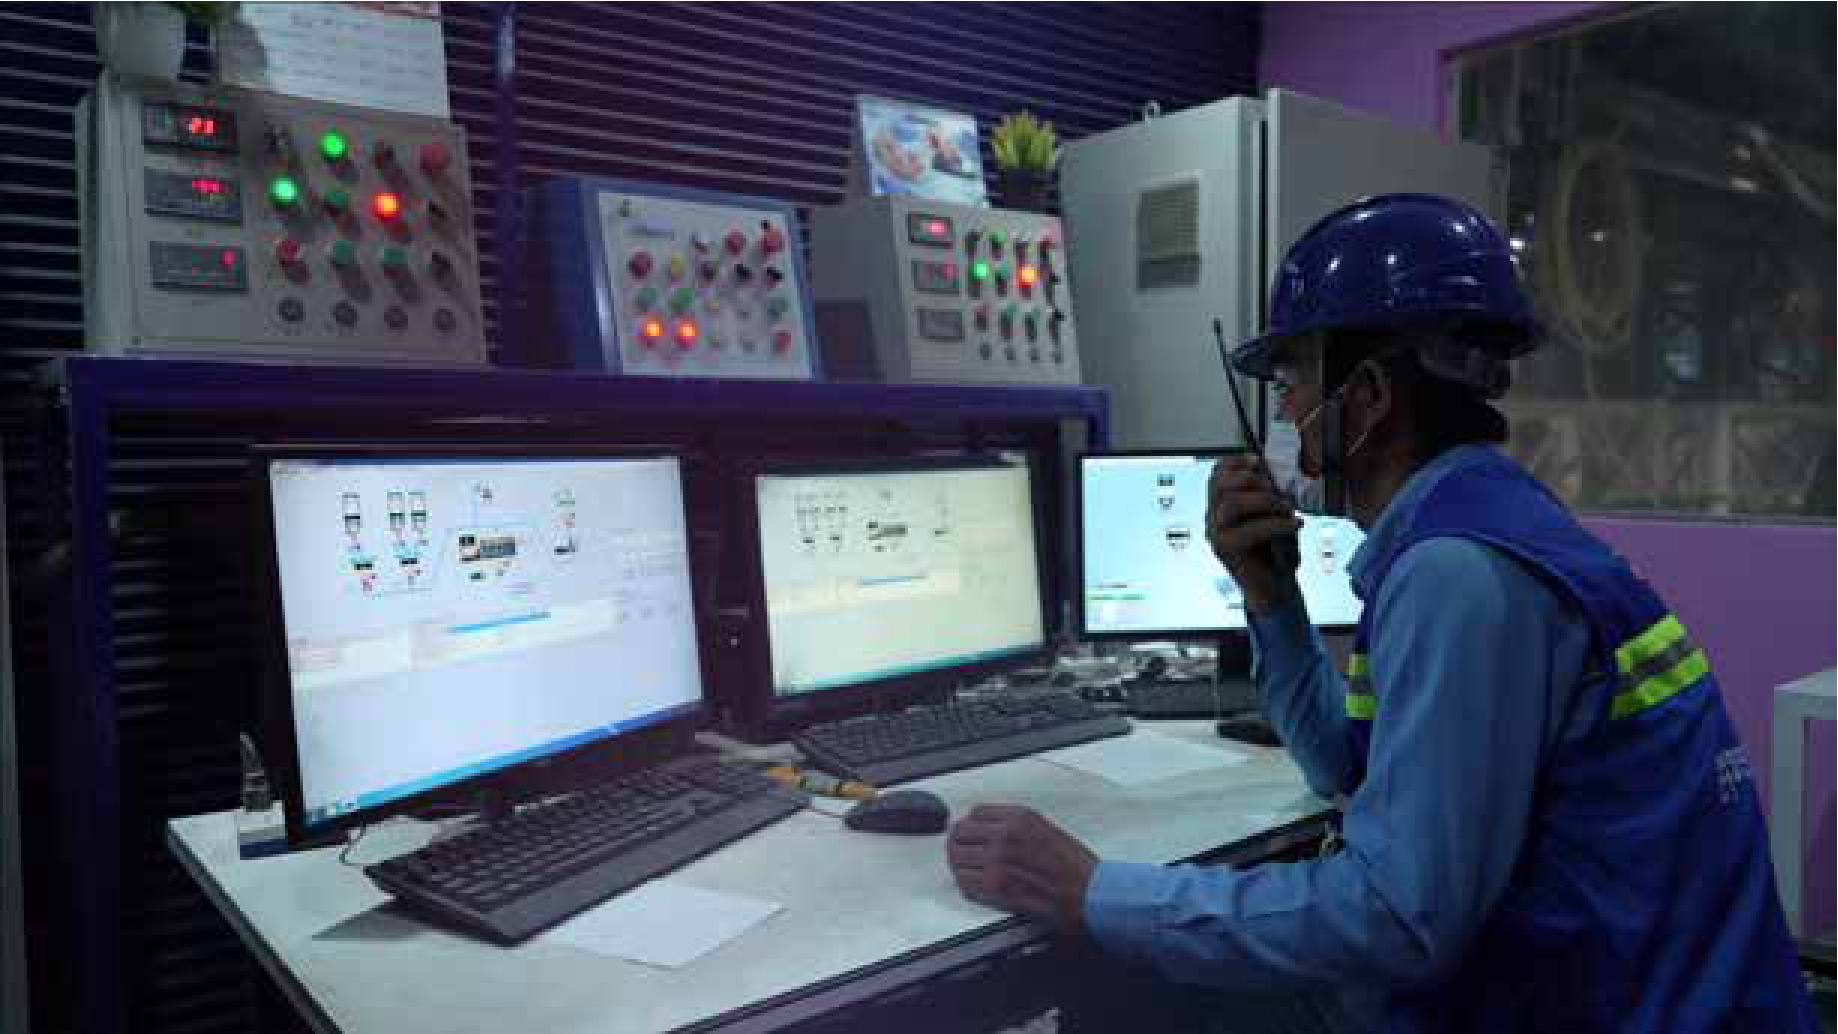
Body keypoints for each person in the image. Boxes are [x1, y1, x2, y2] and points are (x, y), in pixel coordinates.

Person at [944, 194, 1817, 1033]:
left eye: (1292, 378)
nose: (1284, 411)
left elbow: (1399, 921)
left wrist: (1094, 890)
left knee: (1128, 980)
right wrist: (1272, 599)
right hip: (1623, 992)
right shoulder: (1480, 524)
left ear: (1365, 396)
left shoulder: (1457, 574)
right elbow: (1345, 766)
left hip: (1601, 1011)